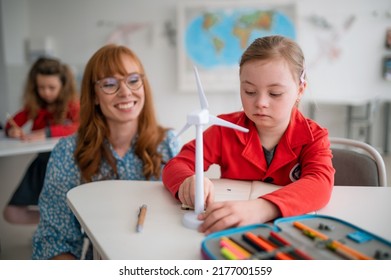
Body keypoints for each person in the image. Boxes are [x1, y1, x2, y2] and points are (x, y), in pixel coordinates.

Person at [162, 35, 335, 235]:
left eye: (275, 93)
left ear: (300, 90)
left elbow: (320, 183)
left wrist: (262, 208)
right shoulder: (224, 129)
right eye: (250, 91)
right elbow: (176, 165)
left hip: (288, 232)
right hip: (233, 231)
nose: (261, 102)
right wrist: (188, 181)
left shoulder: (315, 137)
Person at [32, 44, 179, 260]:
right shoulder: (68, 152)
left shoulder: (167, 143)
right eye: (110, 84)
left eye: (133, 80)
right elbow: (55, 240)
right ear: (94, 96)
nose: (125, 92)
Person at [3, 57, 80, 224]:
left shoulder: (72, 105)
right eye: (41, 88)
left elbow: (80, 126)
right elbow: (11, 123)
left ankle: (60, 224)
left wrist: (47, 132)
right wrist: (12, 130)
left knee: (70, 206)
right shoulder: (35, 107)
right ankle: (53, 223)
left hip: (68, 165)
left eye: (52, 87)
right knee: (11, 213)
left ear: (63, 86)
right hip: (42, 165)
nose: (46, 92)